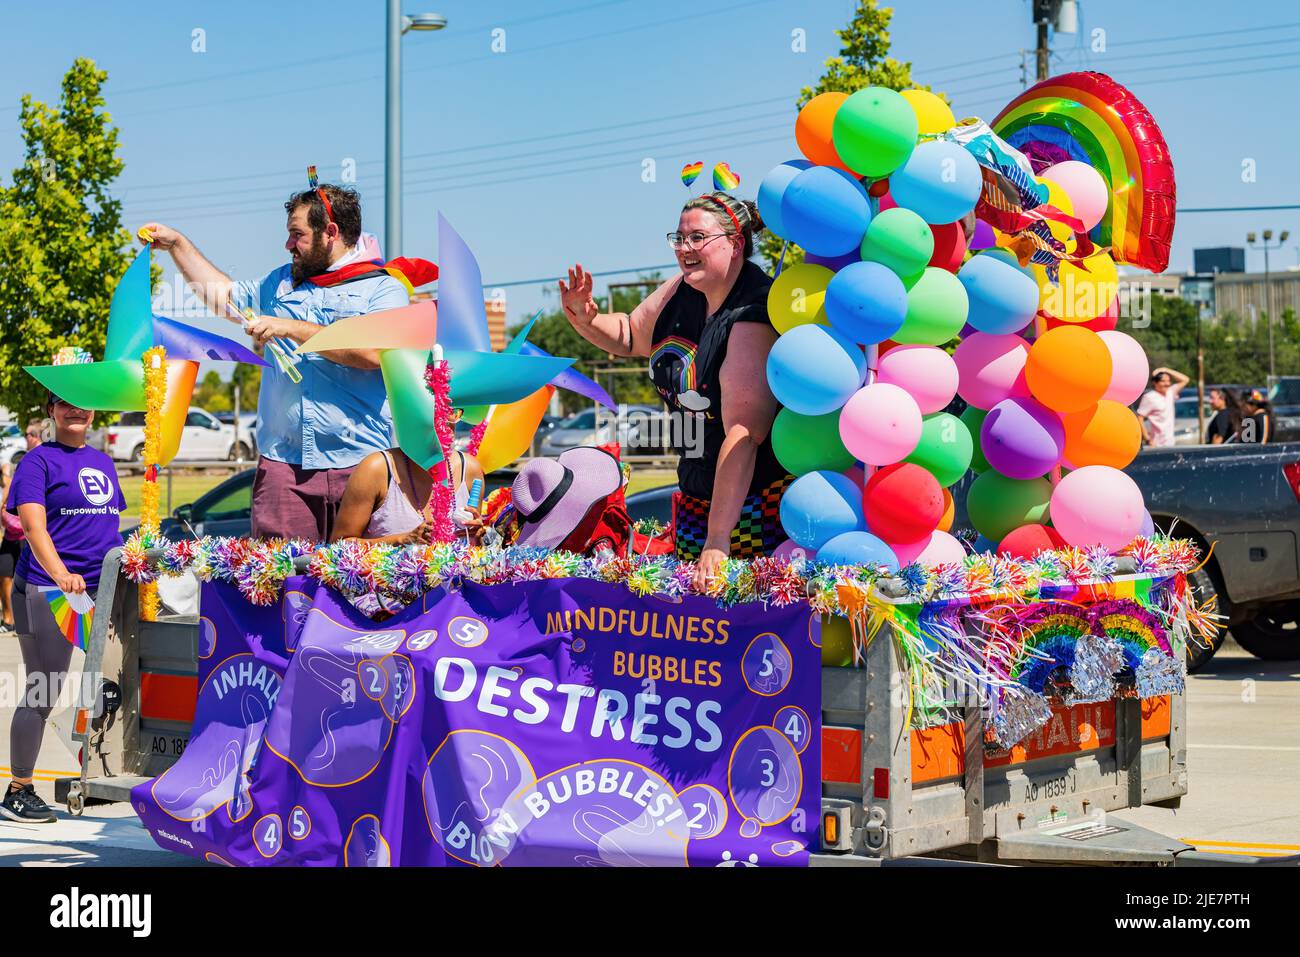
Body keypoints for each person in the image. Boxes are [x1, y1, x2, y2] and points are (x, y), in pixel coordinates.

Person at [137, 183, 414, 541]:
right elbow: (223, 298)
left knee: (361, 585)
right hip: (284, 468)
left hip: (363, 465)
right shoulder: (279, 283)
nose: (287, 245)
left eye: (297, 235)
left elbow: (372, 353)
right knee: (281, 586)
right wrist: (178, 245)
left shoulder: (384, 289)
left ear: (330, 233)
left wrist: (291, 327)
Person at [557, 191, 787, 586]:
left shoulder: (755, 311)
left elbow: (745, 433)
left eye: (698, 238)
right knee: (692, 634)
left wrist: (717, 542)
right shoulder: (680, 291)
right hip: (696, 503)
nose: (685, 249)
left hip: (754, 509)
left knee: (739, 630)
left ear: (735, 244)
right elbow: (630, 335)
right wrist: (584, 318)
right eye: (679, 238)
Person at [1, 393, 125, 823]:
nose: (77, 410)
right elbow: (33, 528)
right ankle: (18, 791)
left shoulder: (104, 462)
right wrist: (60, 574)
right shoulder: (38, 462)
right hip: (50, 593)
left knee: (111, 689)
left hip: (102, 592)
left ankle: (96, 776)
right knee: (44, 690)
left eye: (85, 404)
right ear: (51, 411)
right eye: (66, 403)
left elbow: (108, 528)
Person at [332, 429, 486, 546]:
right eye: (435, 411)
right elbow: (339, 546)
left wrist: (477, 537)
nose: (445, 420)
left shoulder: (470, 469)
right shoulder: (376, 468)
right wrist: (401, 540)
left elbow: (473, 551)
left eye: (453, 411)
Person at [1, 420, 44, 632]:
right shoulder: (28, 460)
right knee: (7, 576)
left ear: (36, 437)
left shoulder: (38, 461)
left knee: (29, 583)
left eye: (27, 434)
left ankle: (24, 622)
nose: (25, 438)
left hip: (27, 536)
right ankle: (11, 620)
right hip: (13, 534)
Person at [1136, 367, 1190, 447]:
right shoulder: (1150, 397)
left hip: (1170, 443)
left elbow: (1185, 380)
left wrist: (1165, 370)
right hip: (1156, 444)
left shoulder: (1170, 392)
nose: (1167, 384)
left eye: (1168, 381)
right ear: (1155, 382)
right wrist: (1147, 438)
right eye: (1163, 381)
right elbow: (1140, 418)